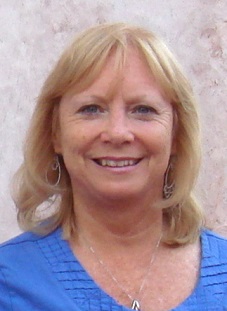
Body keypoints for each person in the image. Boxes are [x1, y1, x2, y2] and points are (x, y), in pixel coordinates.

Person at [0, 23, 226, 311]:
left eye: (143, 110)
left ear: (176, 134)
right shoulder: (8, 283)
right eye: (91, 109)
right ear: (55, 133)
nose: (118, 133)